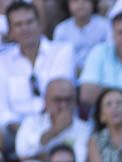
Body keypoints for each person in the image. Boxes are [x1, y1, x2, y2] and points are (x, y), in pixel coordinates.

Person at [0, 3, 73, 150]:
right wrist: (26, 133)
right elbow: (3, 109)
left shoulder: (62, 51)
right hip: (16, 130)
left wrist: (45, 132)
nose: (25, 28)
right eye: (18, 25)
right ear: (11, 32)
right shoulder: (3, 61)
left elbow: (61, 96)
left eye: (29, 22)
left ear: (39, 24)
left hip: (55, 125)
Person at [11, 78, 91, 162]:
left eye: (68, 100)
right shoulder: (31, 122)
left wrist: (36, 157)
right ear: (46, 101)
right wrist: (55, 131)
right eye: (58, 100)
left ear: (75, 102)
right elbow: (22, 152)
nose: (63, 105)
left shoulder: (84, 128)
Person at [54, 0, 110, 74]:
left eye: (85, 1)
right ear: (68, 4)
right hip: (70, 73)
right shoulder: (61, 29)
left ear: (93, 3)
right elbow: (59, 59)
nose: (80, 4)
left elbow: (110, 53)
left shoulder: (105, 25)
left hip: (100, 73)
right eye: (75, 1)